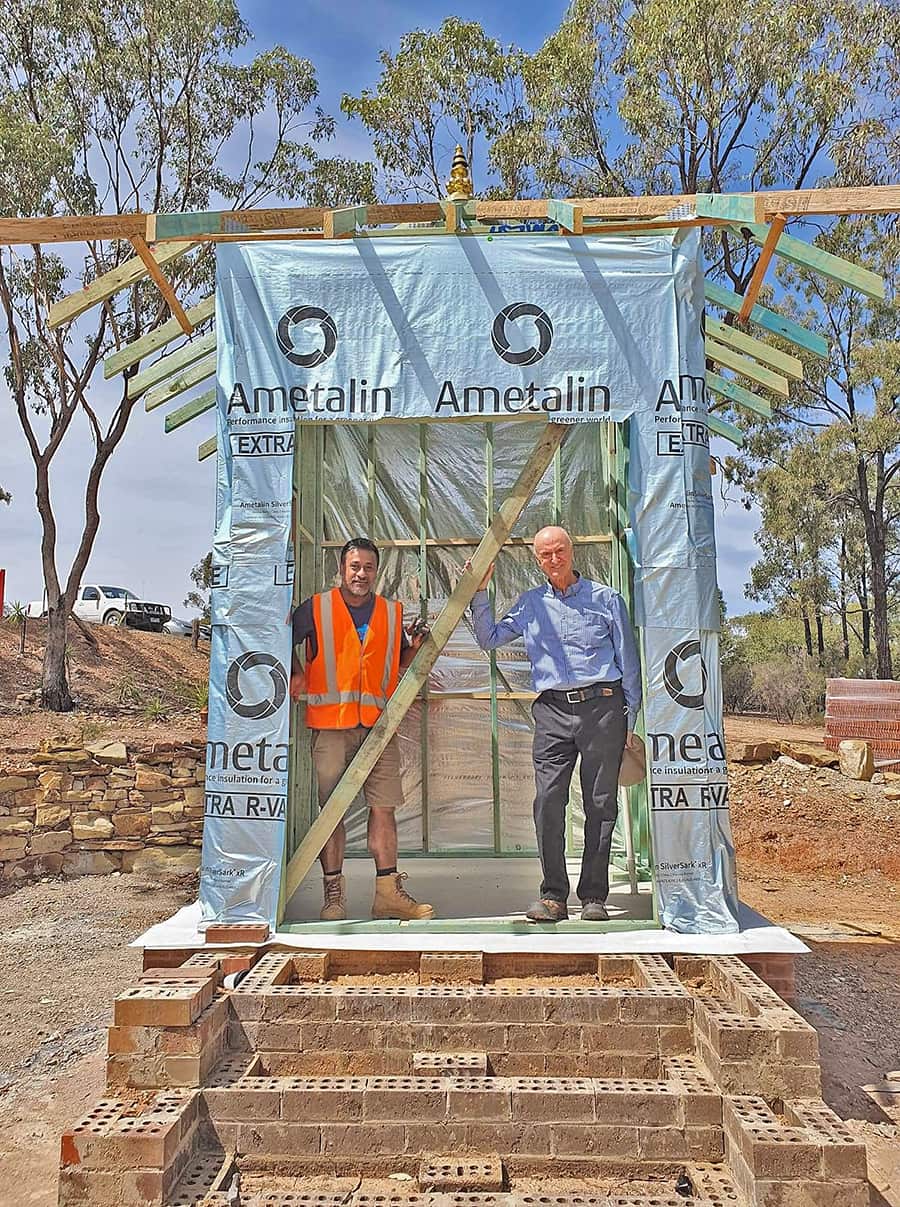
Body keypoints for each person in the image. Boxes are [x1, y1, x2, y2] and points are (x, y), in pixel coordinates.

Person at [469, 526, 642, 923]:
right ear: (537, 560)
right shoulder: (531, 604)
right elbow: (489, 639)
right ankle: (553, 897)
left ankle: (595, 896)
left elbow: (627, 662)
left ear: (572, 551)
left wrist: (630, 718)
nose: (553, 559)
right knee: (548, 802)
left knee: (601, 803)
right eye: (545, 554)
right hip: (551, 712)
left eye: (559, 551)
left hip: (603, 708)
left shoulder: (606, 599)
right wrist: (479, 592)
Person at [289, 536, 433, 922]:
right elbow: (277, 636)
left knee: (383, 809)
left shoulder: (391, 612)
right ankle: (333, 896)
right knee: (331, 813)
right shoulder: (316, 609)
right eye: (355, 567)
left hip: (379, 730)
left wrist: (414, 648)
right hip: (331, 727)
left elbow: (393, 664)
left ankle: (388, 894)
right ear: (341, 569)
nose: (361, 574)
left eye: (368, 567)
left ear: (376, 571)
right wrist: (296, 671)